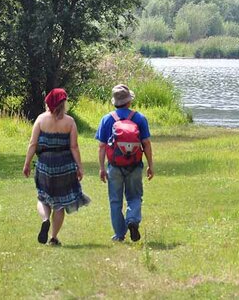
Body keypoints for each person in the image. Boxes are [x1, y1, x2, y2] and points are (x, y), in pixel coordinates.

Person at [23, 88, 90, 246]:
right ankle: (53, 237)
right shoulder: (70, 122)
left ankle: (45, 219)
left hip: (45, 164)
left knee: (42, 197)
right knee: (59, 204)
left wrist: (27, 164)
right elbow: (74, 147)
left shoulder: (41, 119)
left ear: (48, 102)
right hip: (65, 165)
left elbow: (33, 144)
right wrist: (79, 167)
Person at [96, 84, 154, 242]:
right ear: (129, 101)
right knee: (134, 196)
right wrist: (150, 165)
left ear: (114, 102)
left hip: (114, 167)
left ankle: (119, 234)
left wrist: (102, 168)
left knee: (115, 201)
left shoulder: (107, 119)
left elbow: (101, 146)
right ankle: (133, 220)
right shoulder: (139, 118)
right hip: (134, 166)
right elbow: (146, 143)